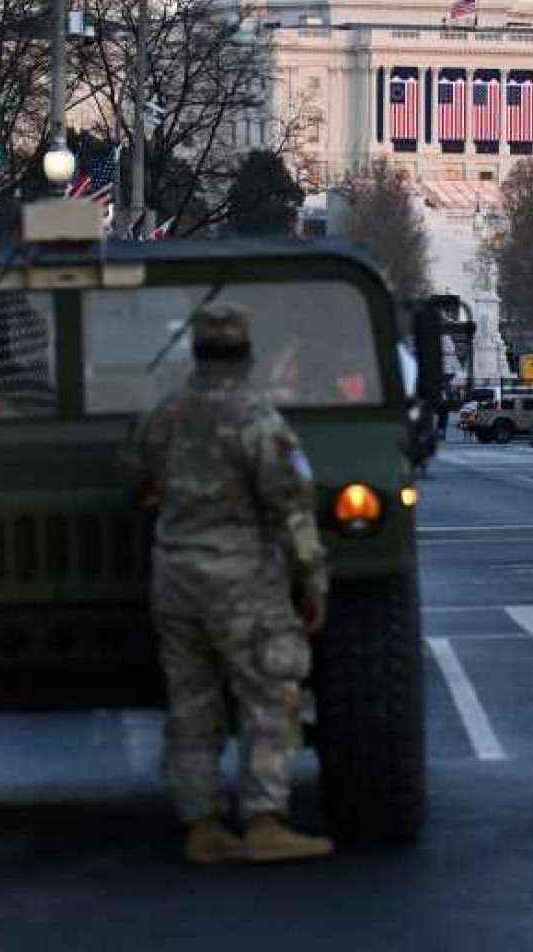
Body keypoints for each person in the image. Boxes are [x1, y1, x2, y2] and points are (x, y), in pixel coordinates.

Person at [121, 303, 332, 865]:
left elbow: (136, 476)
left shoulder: (166, 415)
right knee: (268, 695)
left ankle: (203, 823)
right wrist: (312, 579)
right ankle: (264, 818)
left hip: (174, 573)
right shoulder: (257, 419)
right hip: (242, 576)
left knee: (191, 703)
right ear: (245, 355)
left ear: (195, 354)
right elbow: (290, 506)